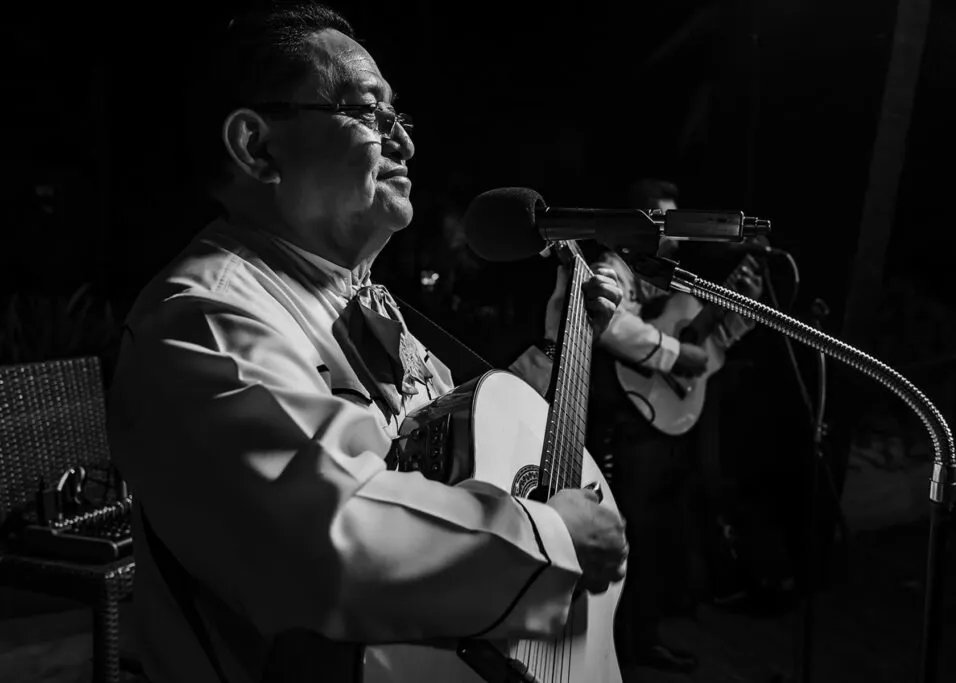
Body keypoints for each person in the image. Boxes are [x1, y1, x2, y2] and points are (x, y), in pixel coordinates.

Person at [106, 4, 627, 682]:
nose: (405, 143)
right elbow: (327, 534)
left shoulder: (361, 300)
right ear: (256, 147)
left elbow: (461, 449)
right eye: (370, 114)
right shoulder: (203, 315)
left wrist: (565, 347)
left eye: (400, 119)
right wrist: (549, 538)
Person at [581, 178, 763, 676]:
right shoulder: (610, 266)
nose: (677, 237)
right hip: (624, 428)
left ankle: (643, 643)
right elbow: (607, 320)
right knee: (626, 541)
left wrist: (735, 320)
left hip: (665, 430)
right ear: (639, 223)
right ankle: (608, 653)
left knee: (658, 542)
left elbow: (704, 353)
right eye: (667, 223)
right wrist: (679, 355)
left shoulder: (666, 277)